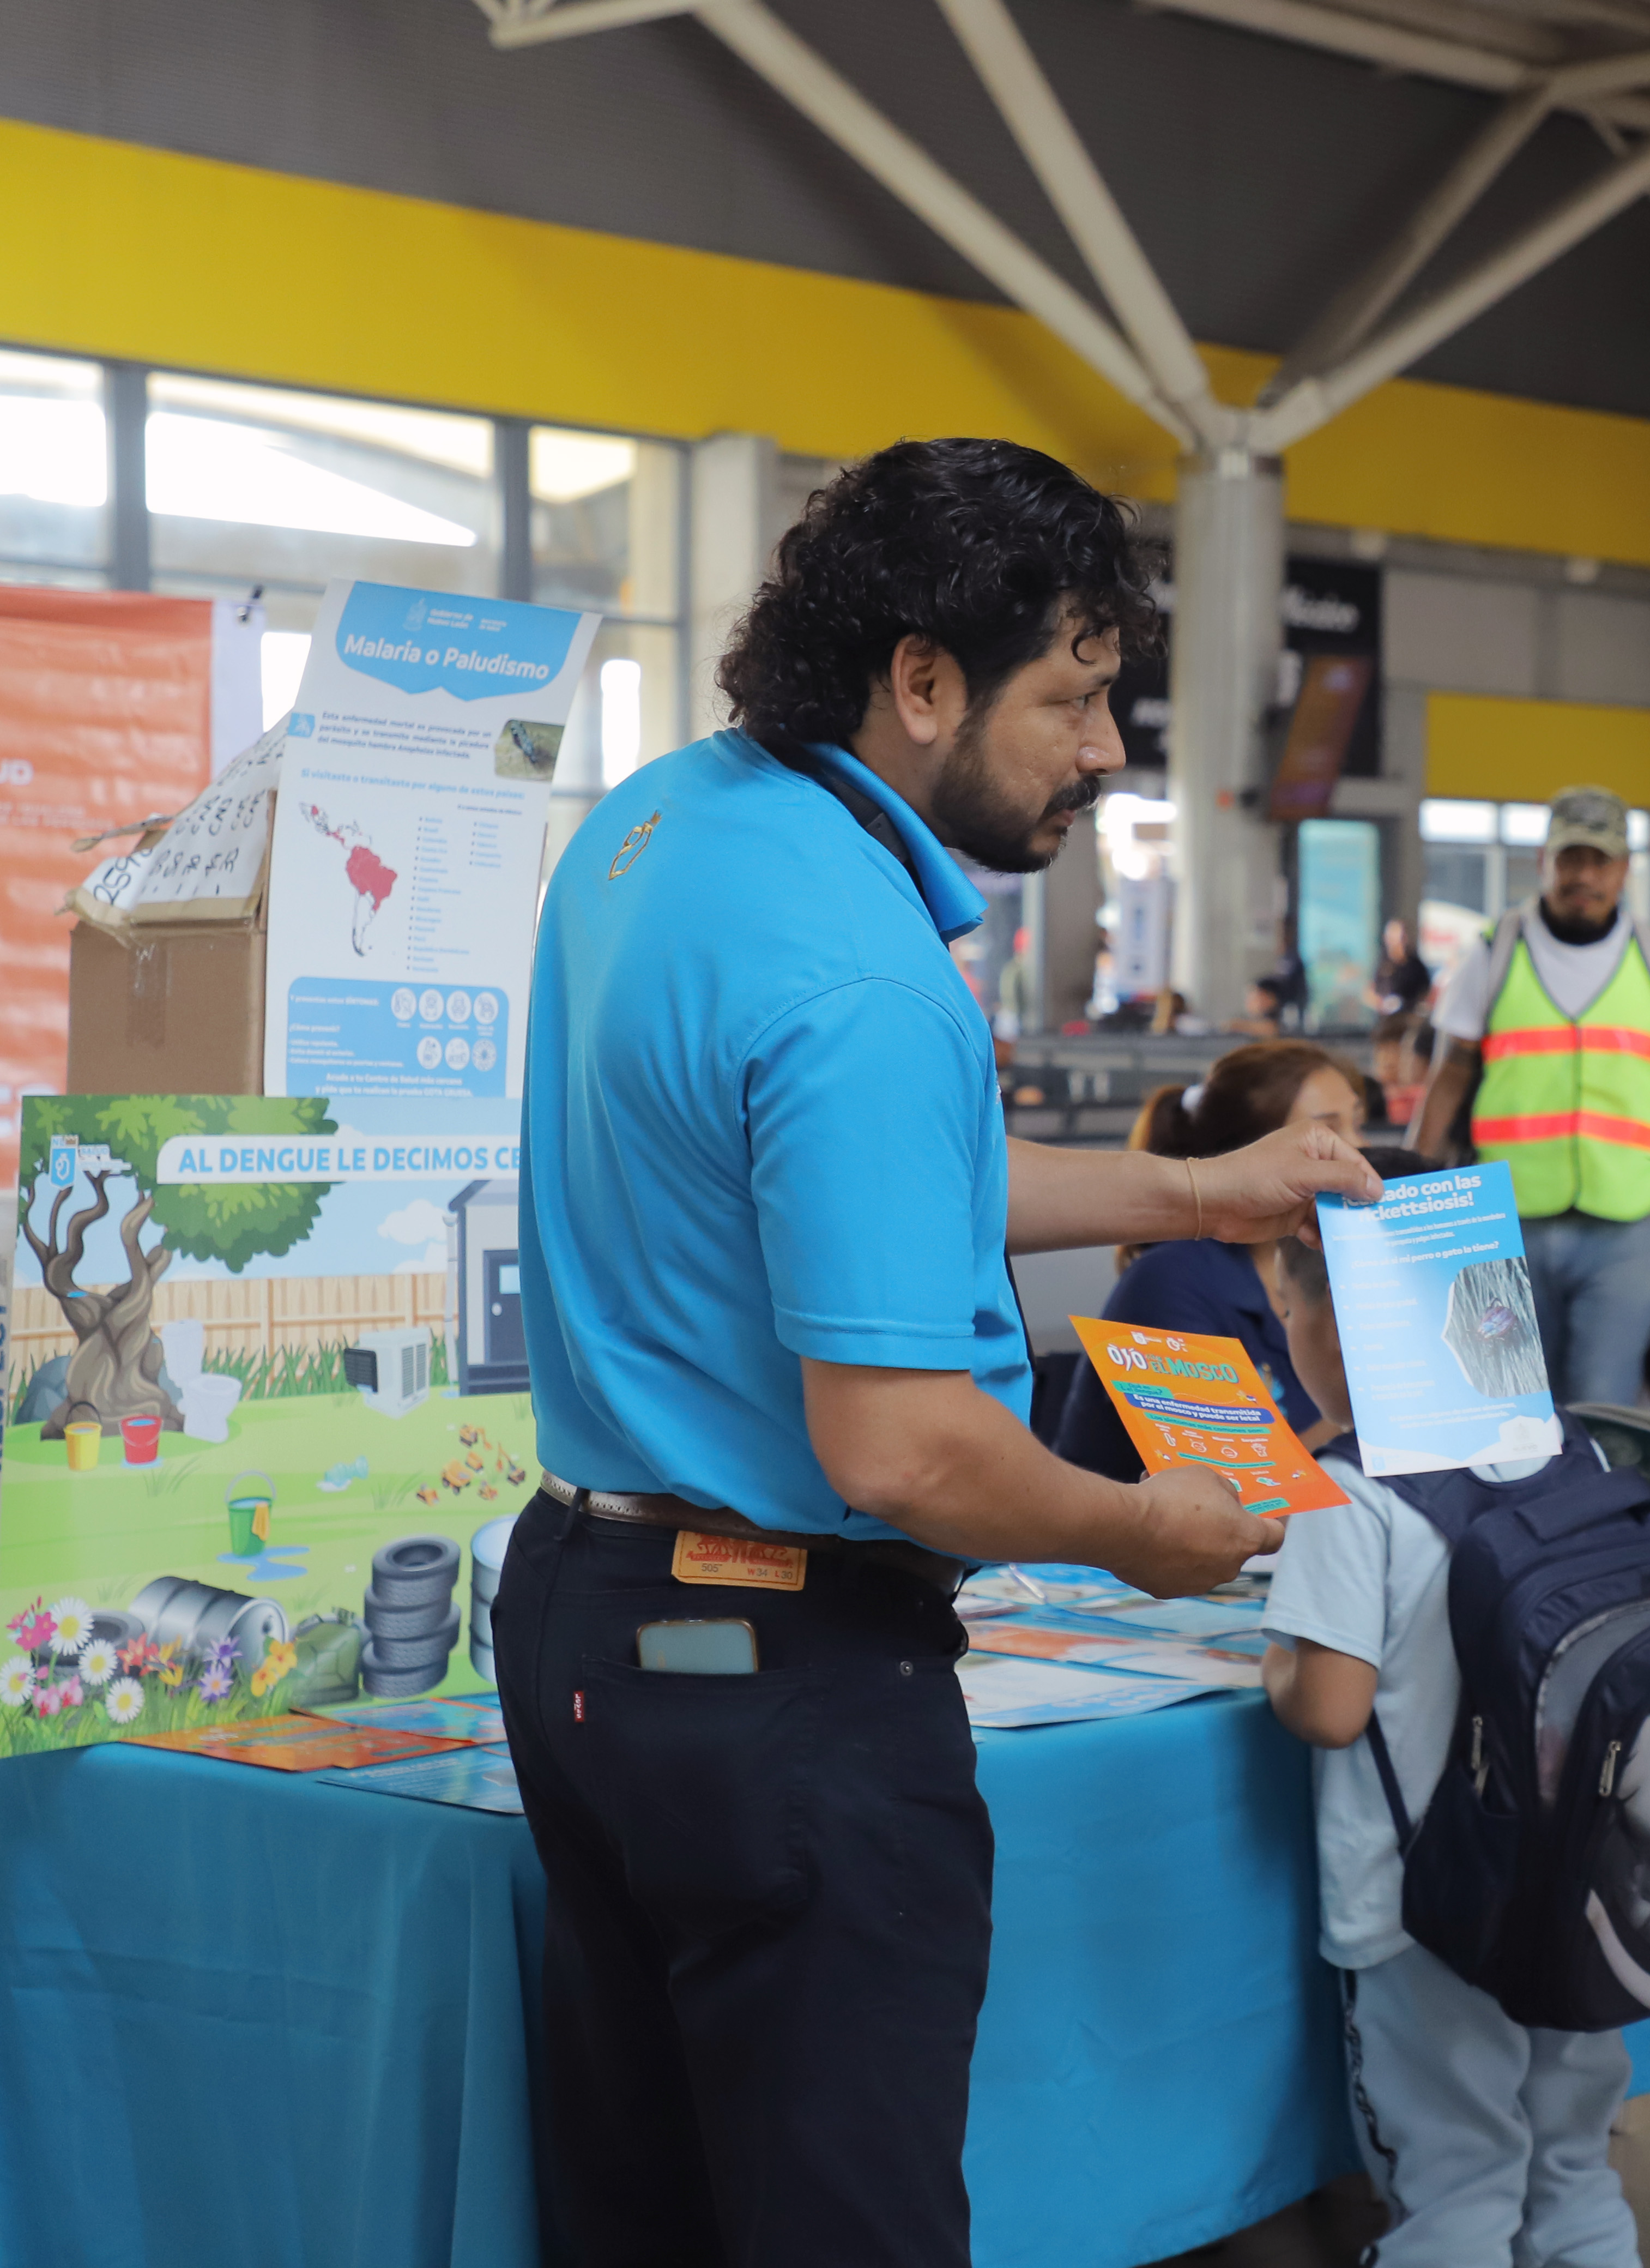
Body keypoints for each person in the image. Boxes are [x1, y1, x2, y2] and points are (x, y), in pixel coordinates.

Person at [505, 436, 1382, 2268]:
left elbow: (871, 1195)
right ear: (921, 681)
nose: (1107, 750)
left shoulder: (663, 828)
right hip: (782, 1678)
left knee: (641, 2208)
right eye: (1072, 698)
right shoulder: (863, 975)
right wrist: (1138, 1530)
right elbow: (899, 1448)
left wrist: (1201, 1190)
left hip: (592, 1619)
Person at [1258, 1145, 1640, 2268]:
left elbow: (1331, 1710)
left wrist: (1277, 1659)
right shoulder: (1568, 1447)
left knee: (1455, 2190)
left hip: (1424, 1909)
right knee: (1575, 2172)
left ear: (1334, 1322)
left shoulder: (1349, 1487)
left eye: (1287, 1307)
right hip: (1572, 1883)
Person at [1411, 783, 1650, 1410]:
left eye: (1600, 861)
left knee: (1601, 1404)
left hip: (1628, 1223)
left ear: (1624, 869)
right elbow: (1452, 1069)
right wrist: (1412, 1180)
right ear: (1543, 860)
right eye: (1570, 858)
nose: (1584, 875)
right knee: (1508, 1403)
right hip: (1504, 1219)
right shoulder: (1494, 951)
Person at [1051, 1040, 1366, 1477]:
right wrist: (1381, 1408)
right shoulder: (1169, 1281)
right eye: (1329, 1132)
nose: (1358, 1148)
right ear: (1254, 1153)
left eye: (1358, 1124)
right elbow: (1243, 1484)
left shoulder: (1330, 1265)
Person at [1368, 1009, 1431, 1133]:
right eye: (1381, 1049)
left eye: (1397, 1050)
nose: (1387, 1059)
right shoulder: (1369, 1095)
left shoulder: (1425, 1099)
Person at [1366, 915, 1433, 1017]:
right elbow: (1370, 991)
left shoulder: (1415, 966)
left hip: (1408, 1019)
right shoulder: (1381, 964)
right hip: (1385, 1020)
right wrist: (1381, 1004)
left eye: (1402, 937)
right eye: (1393, 937)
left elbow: (1426, 992)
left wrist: (1412, 1005)